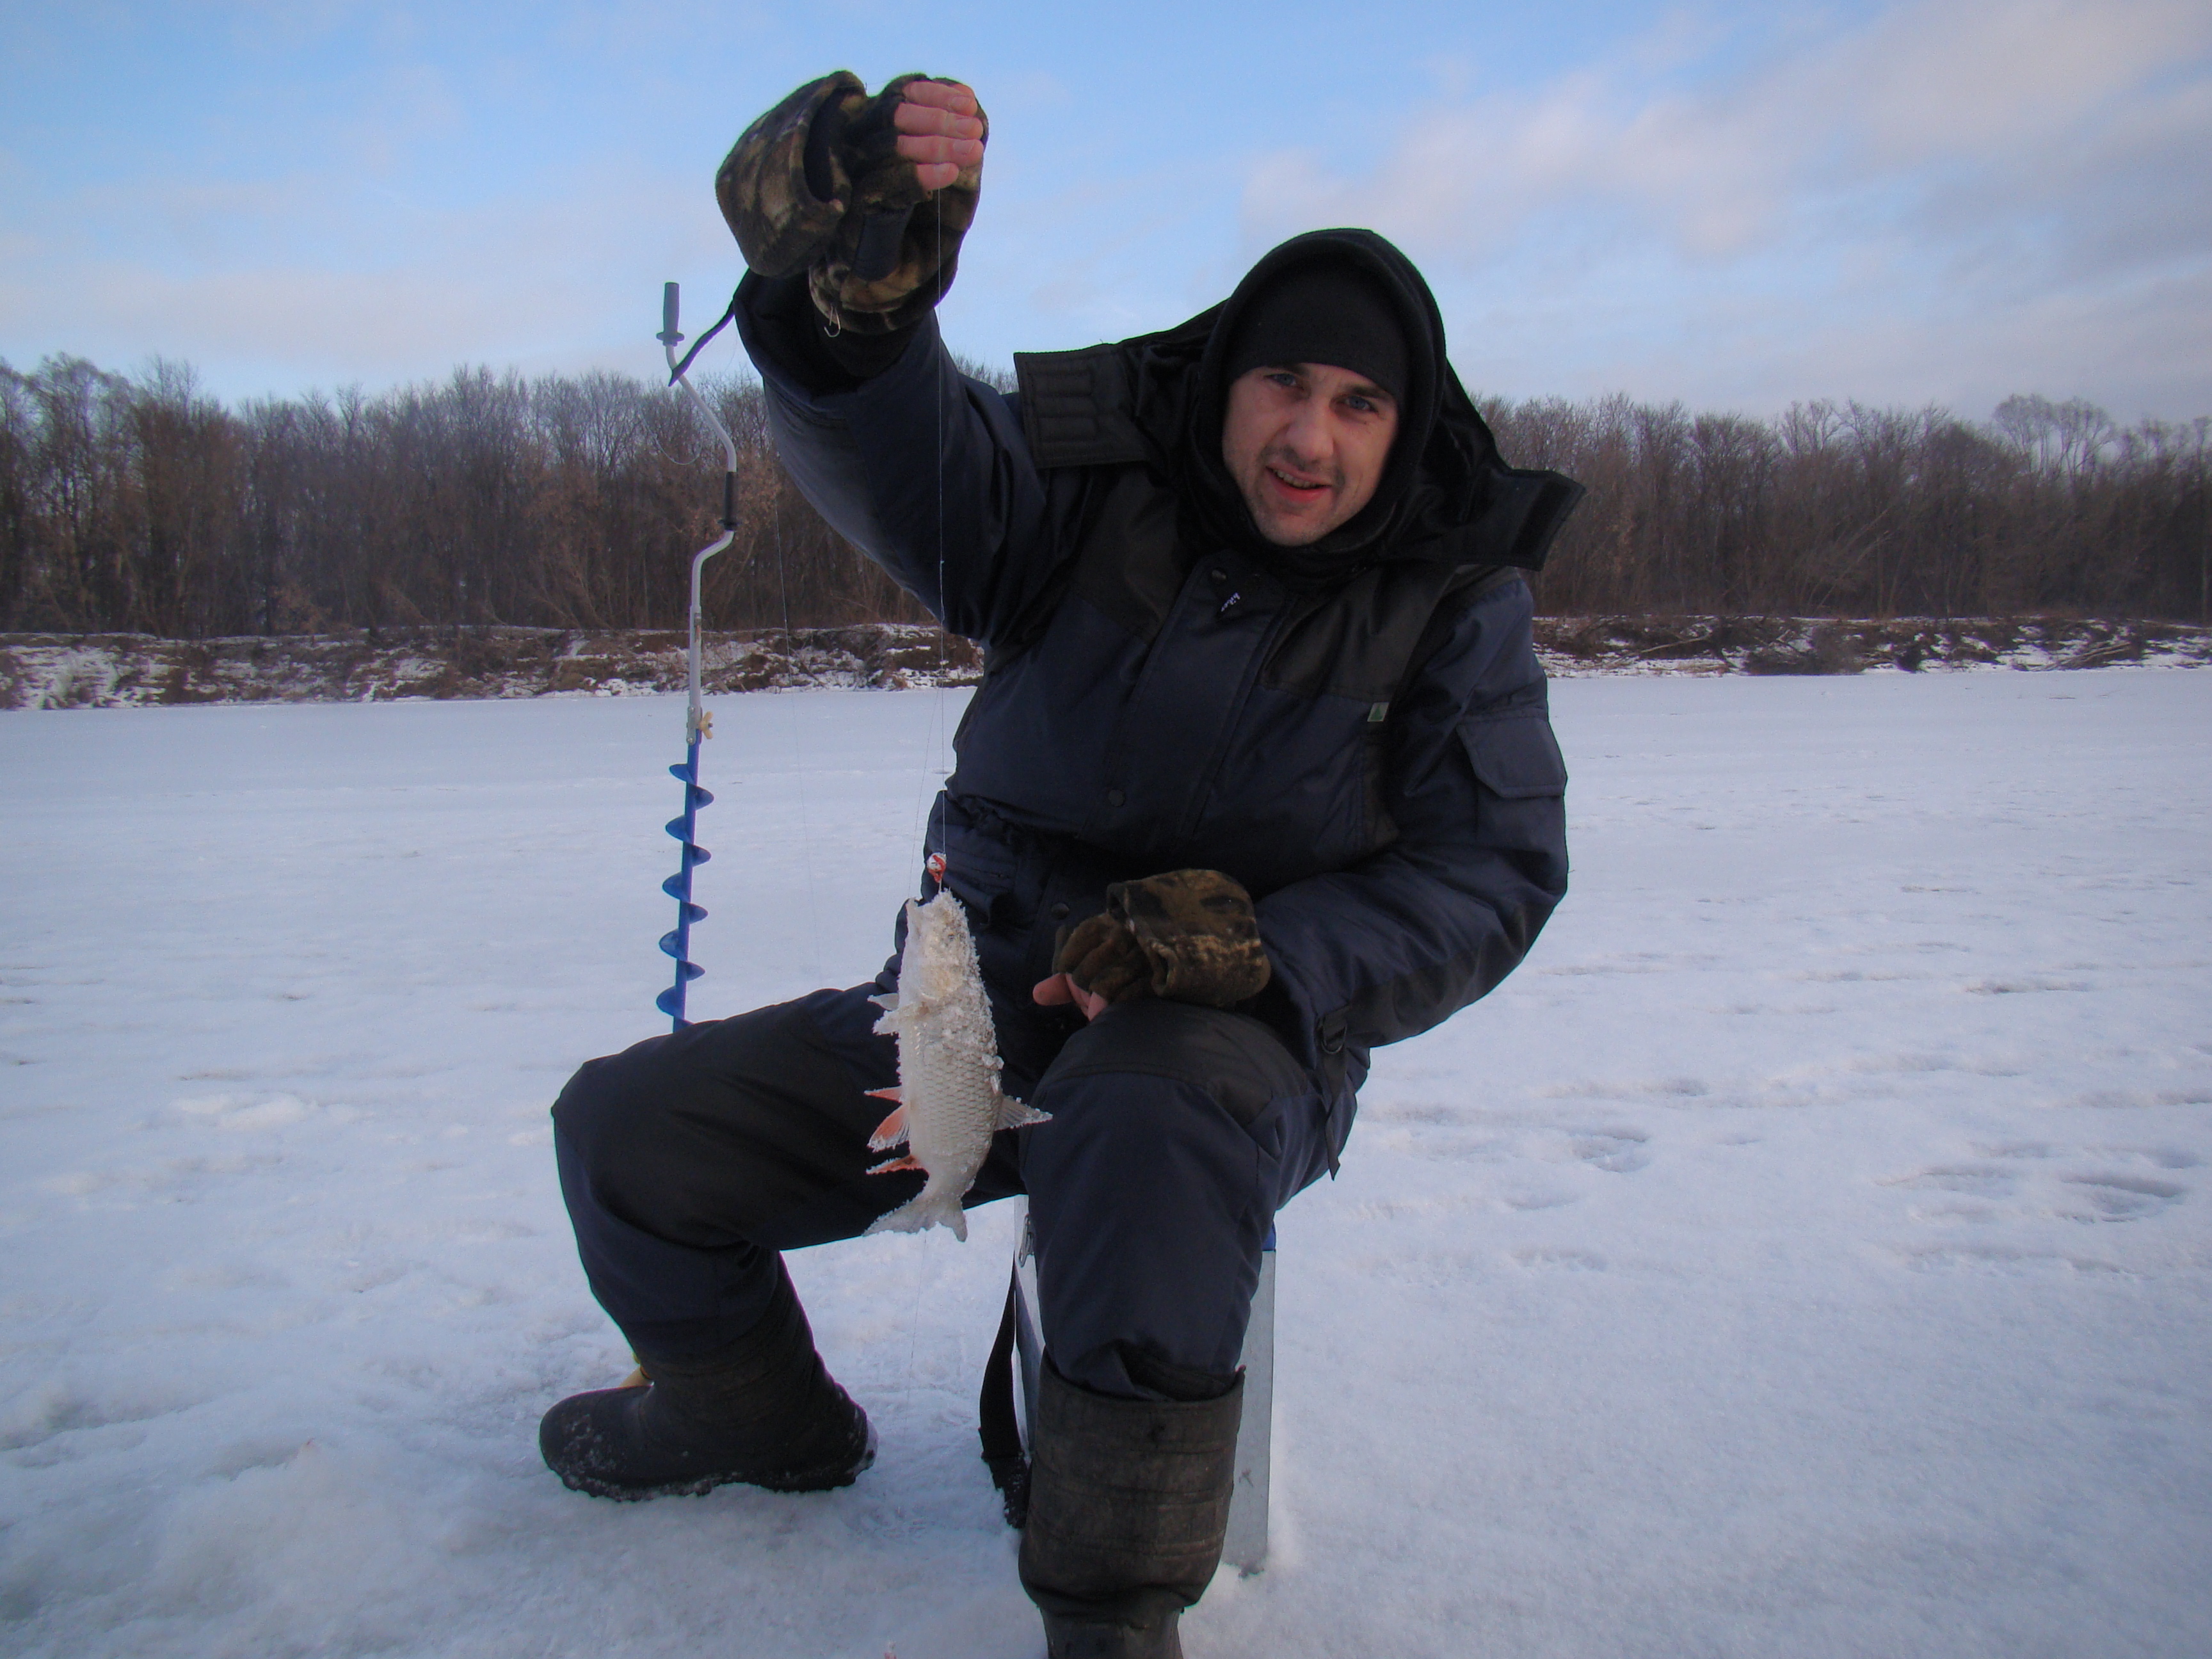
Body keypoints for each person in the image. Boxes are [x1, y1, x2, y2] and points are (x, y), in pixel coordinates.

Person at [539, 71, 1580, 1659]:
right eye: (1285, 385)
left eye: (1358, 406)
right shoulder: (1088, 498)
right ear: (1228, 377)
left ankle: (1108, 1607)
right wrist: (852, 314)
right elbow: (914, 463)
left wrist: (1264, 951)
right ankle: (748, 1415)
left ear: (1404, 426)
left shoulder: (1452, 600)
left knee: (1148, 1113)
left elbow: (1494, 865)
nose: (1310, 439)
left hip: (1227, 1049)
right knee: (626, 1132)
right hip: (967, 1013)